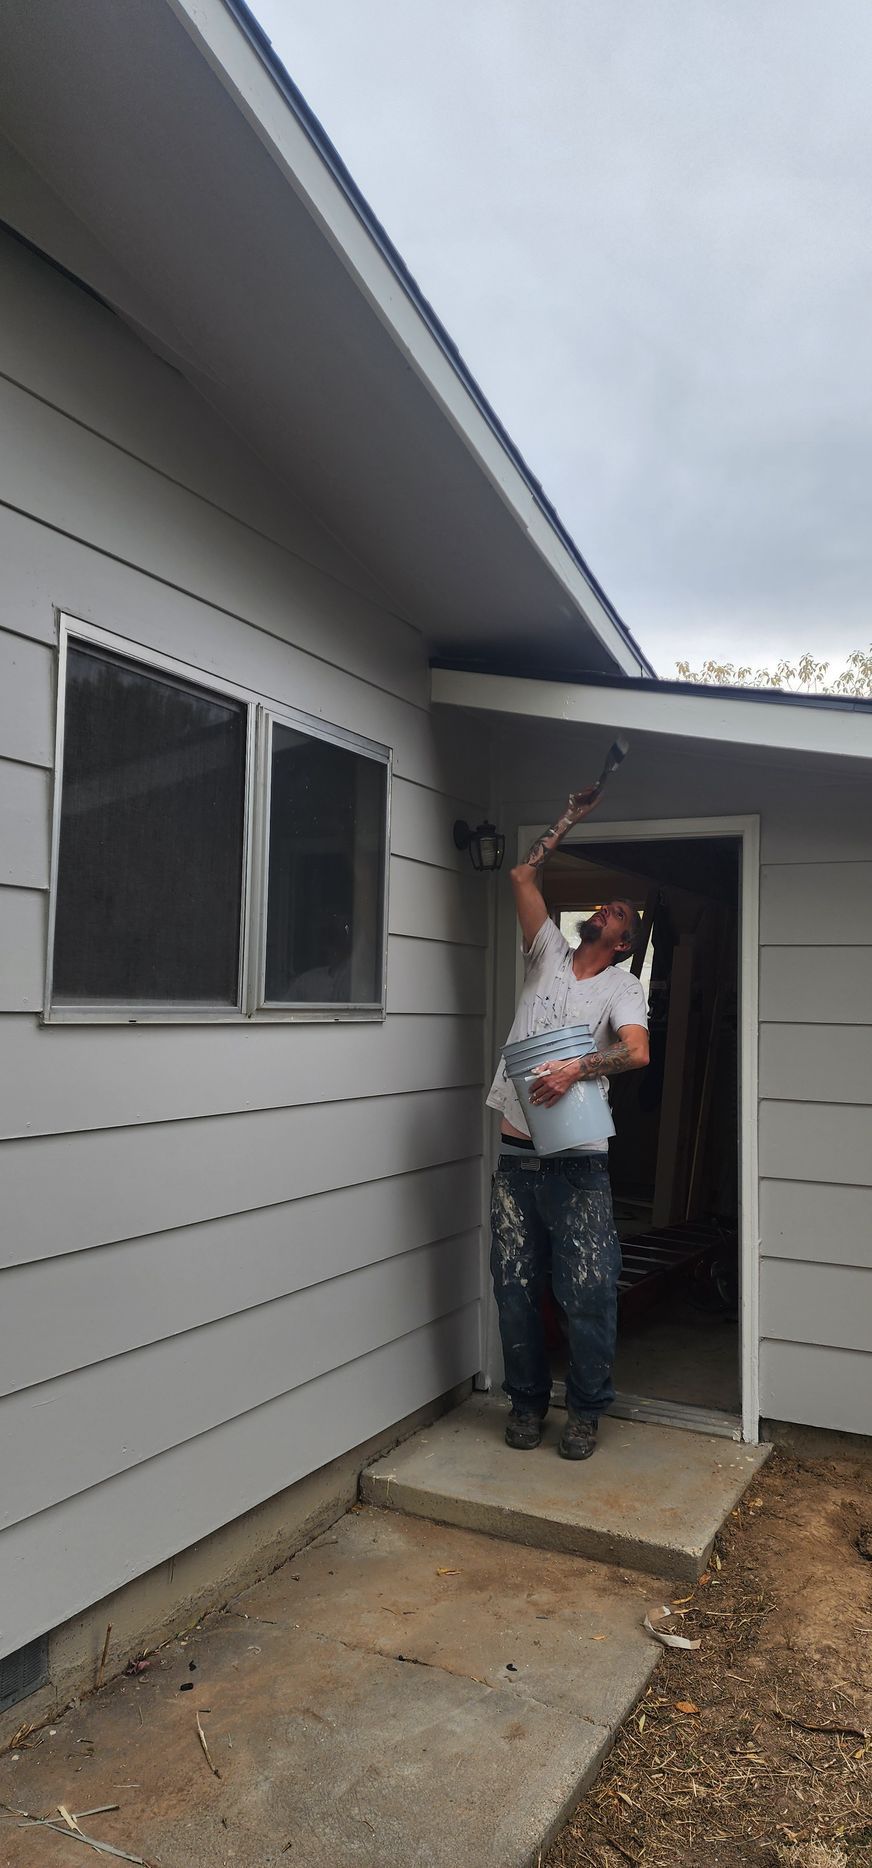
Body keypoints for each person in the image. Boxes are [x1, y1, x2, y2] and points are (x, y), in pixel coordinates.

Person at [486, 786, 649, 1460]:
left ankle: (584, 1412)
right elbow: (523, 874)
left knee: (585, 1291)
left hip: (578, 1160)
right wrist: (568, 819)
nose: (607, 909)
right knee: (516, 1288)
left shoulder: (621, 987)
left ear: (623, 942)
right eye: (605, 905)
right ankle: (527, 1404)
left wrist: (576, 1069)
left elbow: (636, 1052)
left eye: (619, 913)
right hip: (517, 1157)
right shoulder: (546, 951)